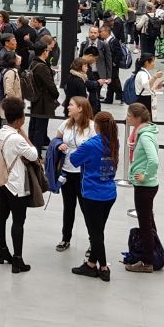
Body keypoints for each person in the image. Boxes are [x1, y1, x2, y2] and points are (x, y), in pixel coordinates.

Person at [69, 110, 119, 282]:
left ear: (96, 126)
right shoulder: (114, 142)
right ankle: (91, 263)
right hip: (109, 192)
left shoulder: (90, 144)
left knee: (95, 233)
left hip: (92, 193)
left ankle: (103, 268)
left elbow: (74, 159)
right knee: (99, 230)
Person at [0, 97, 40, 274]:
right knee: (18, 221)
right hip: (16, 183)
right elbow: (34, 154)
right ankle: (17, 259)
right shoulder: (17, 139)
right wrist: (24, 135)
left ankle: (2, 250)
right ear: (20, 118)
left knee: (1, 215)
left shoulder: (1, 133)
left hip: (3, 180)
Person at [55, 96, 96, 252]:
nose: (67, 107)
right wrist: (60, 145)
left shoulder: (92, 127)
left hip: (84, 174)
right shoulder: (66, 124)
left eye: (71, 105)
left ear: (80, 108)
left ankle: (93, 242)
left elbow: (98, 147)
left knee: (87, 209)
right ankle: (66, 238)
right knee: (68, 207)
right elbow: (56, 140)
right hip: (67, 172)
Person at [125, 103, 160, 273]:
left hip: (145, 185)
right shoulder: (144, 133)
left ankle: (147, 261)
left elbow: (153, 160)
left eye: (130, 115)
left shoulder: (144, 137)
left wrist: (145, 175)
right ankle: (154, 253)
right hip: (148, 185)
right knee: (149, 221)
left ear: (138, 118)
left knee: (145, 223)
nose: (127, 118)